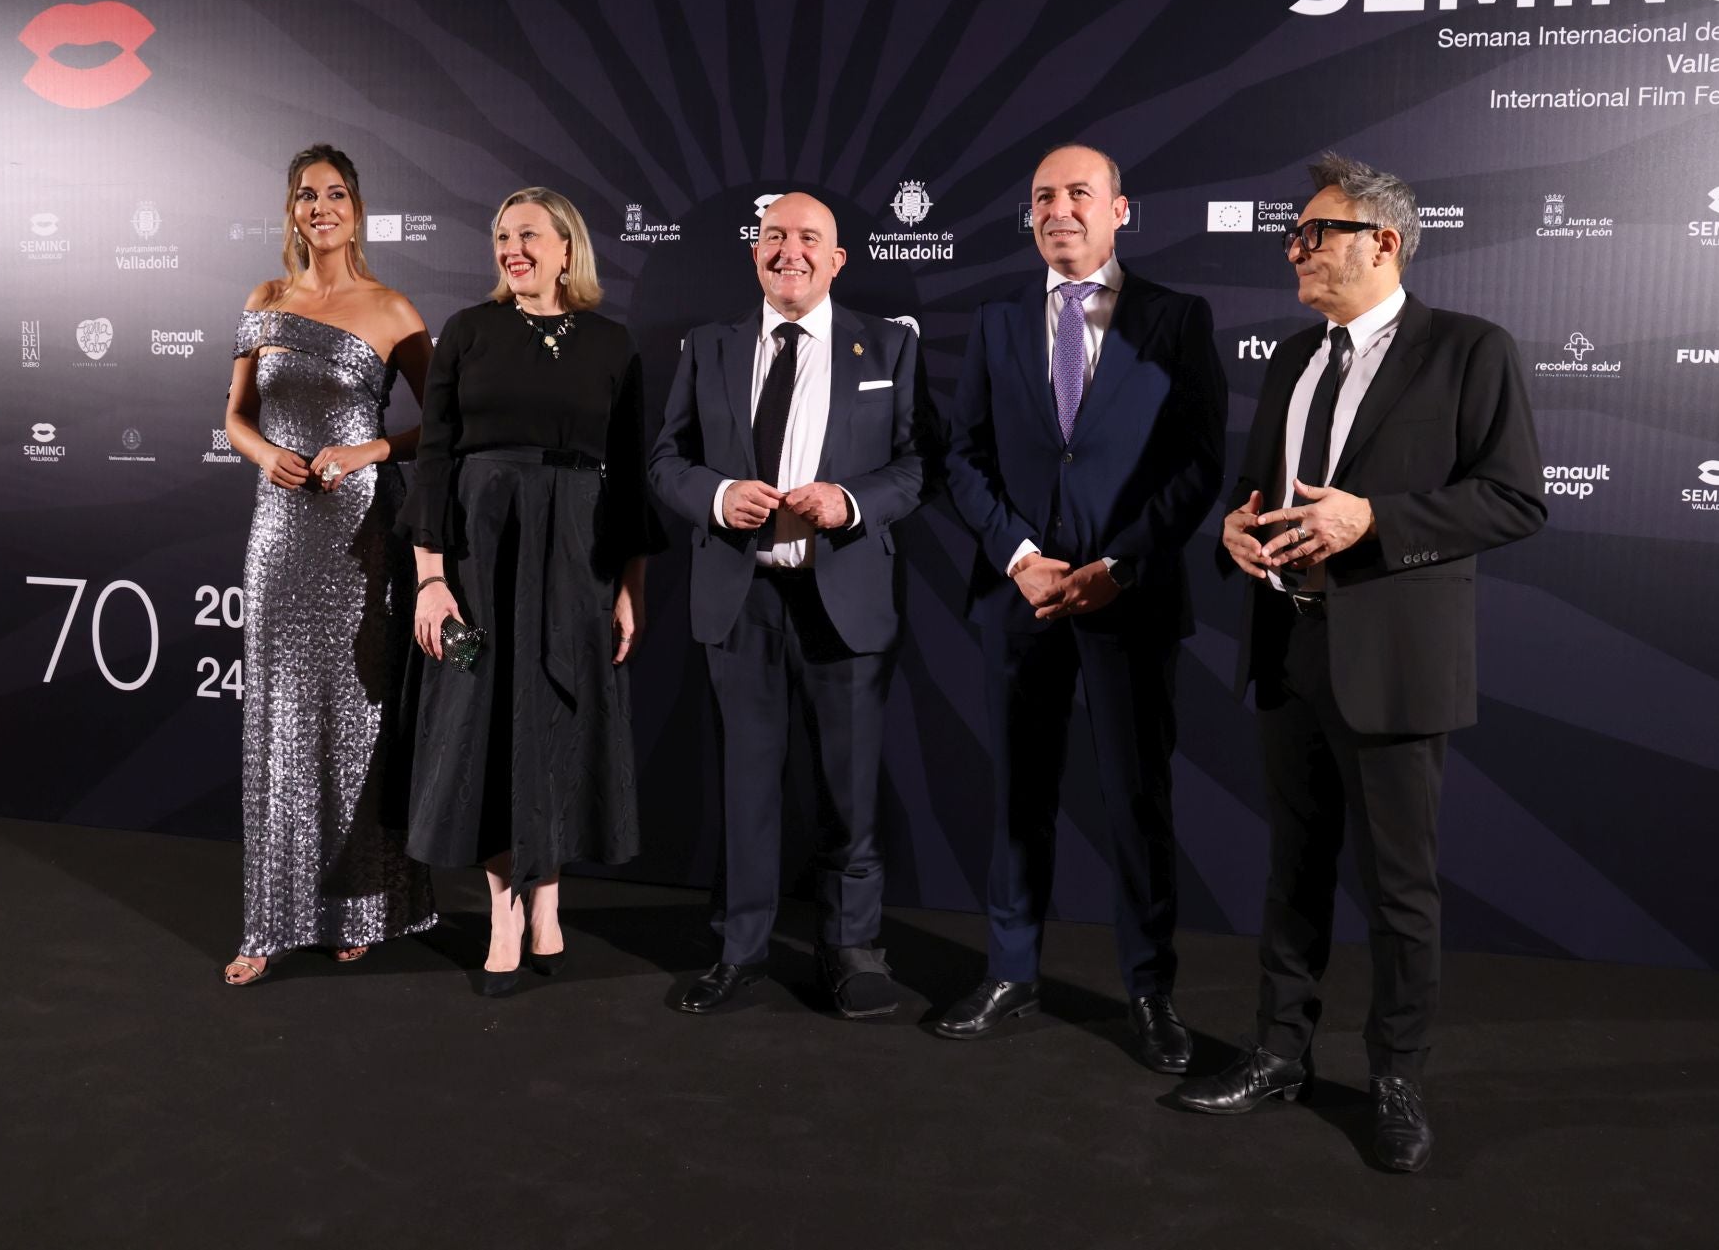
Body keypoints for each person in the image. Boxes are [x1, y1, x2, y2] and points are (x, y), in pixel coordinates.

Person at [1169, 152, 1545, 1173]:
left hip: (1395, 663)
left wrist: (1375, 516)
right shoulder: (1295, 358)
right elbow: (1256, 492)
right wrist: (1233, 535)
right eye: (1293, 236)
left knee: (1399, 889)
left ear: (1382, 241)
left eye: (1314, 235)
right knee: (1292, 870)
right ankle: (1279, 1051)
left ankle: (1395, 1079)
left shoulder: (1471, 351)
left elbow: (1516, 498)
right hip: (1288, 646)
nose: (1295, 251)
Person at [936, 144, 1227, 1072]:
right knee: (1020, 796)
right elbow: (964, 457)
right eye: (1042, 198)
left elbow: (1198, 465)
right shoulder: (995, 321)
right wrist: (1019, 557)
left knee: (1137, 802)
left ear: (1120, 210)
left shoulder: (1177, 319)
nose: (1058, 209)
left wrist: (1120, 563)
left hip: (1127, 602)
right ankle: (1011, 972)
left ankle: (1149, 992)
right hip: (1020, 600)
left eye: (1078, 194)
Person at [649, 192, 938, 1018]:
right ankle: (739, 951)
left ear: (837, 259)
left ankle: (852, 951)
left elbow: (920, 465)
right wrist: (714, 494)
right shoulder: (709, 347)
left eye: (809, 238)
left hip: (842, 596)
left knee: (848, 792)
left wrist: (849, 501)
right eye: (775, 237)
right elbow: (666, 458)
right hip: (740, 601)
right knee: (747, 788)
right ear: (755, 253)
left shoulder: (887, 344)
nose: (791, 251)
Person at [400, 188, 661, 998]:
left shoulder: (614, 345)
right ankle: (505, 913)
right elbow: (435, 461)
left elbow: (629, 483)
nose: (513, 249)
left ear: (566, 248)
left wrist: (629, 587)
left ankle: (548, 894)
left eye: (528, 236)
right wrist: (431, 579)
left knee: (560, 722)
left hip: (580, 555)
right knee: (488, 725)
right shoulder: (468, 334)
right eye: (502, 236)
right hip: (484, 555)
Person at [219, 144, 437, 985]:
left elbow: (441, 423)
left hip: (361, 541)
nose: (320, 207)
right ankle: (270, 922)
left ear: (357, 208)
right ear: (292, 211)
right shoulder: (264, 301)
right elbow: (236, 415)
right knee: (279, 721)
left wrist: (374, 446)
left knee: (355, 723)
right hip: (279, 534)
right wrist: (262, 454)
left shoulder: (392, 309)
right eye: (306, 195)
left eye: (335, 193)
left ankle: (359, 908)